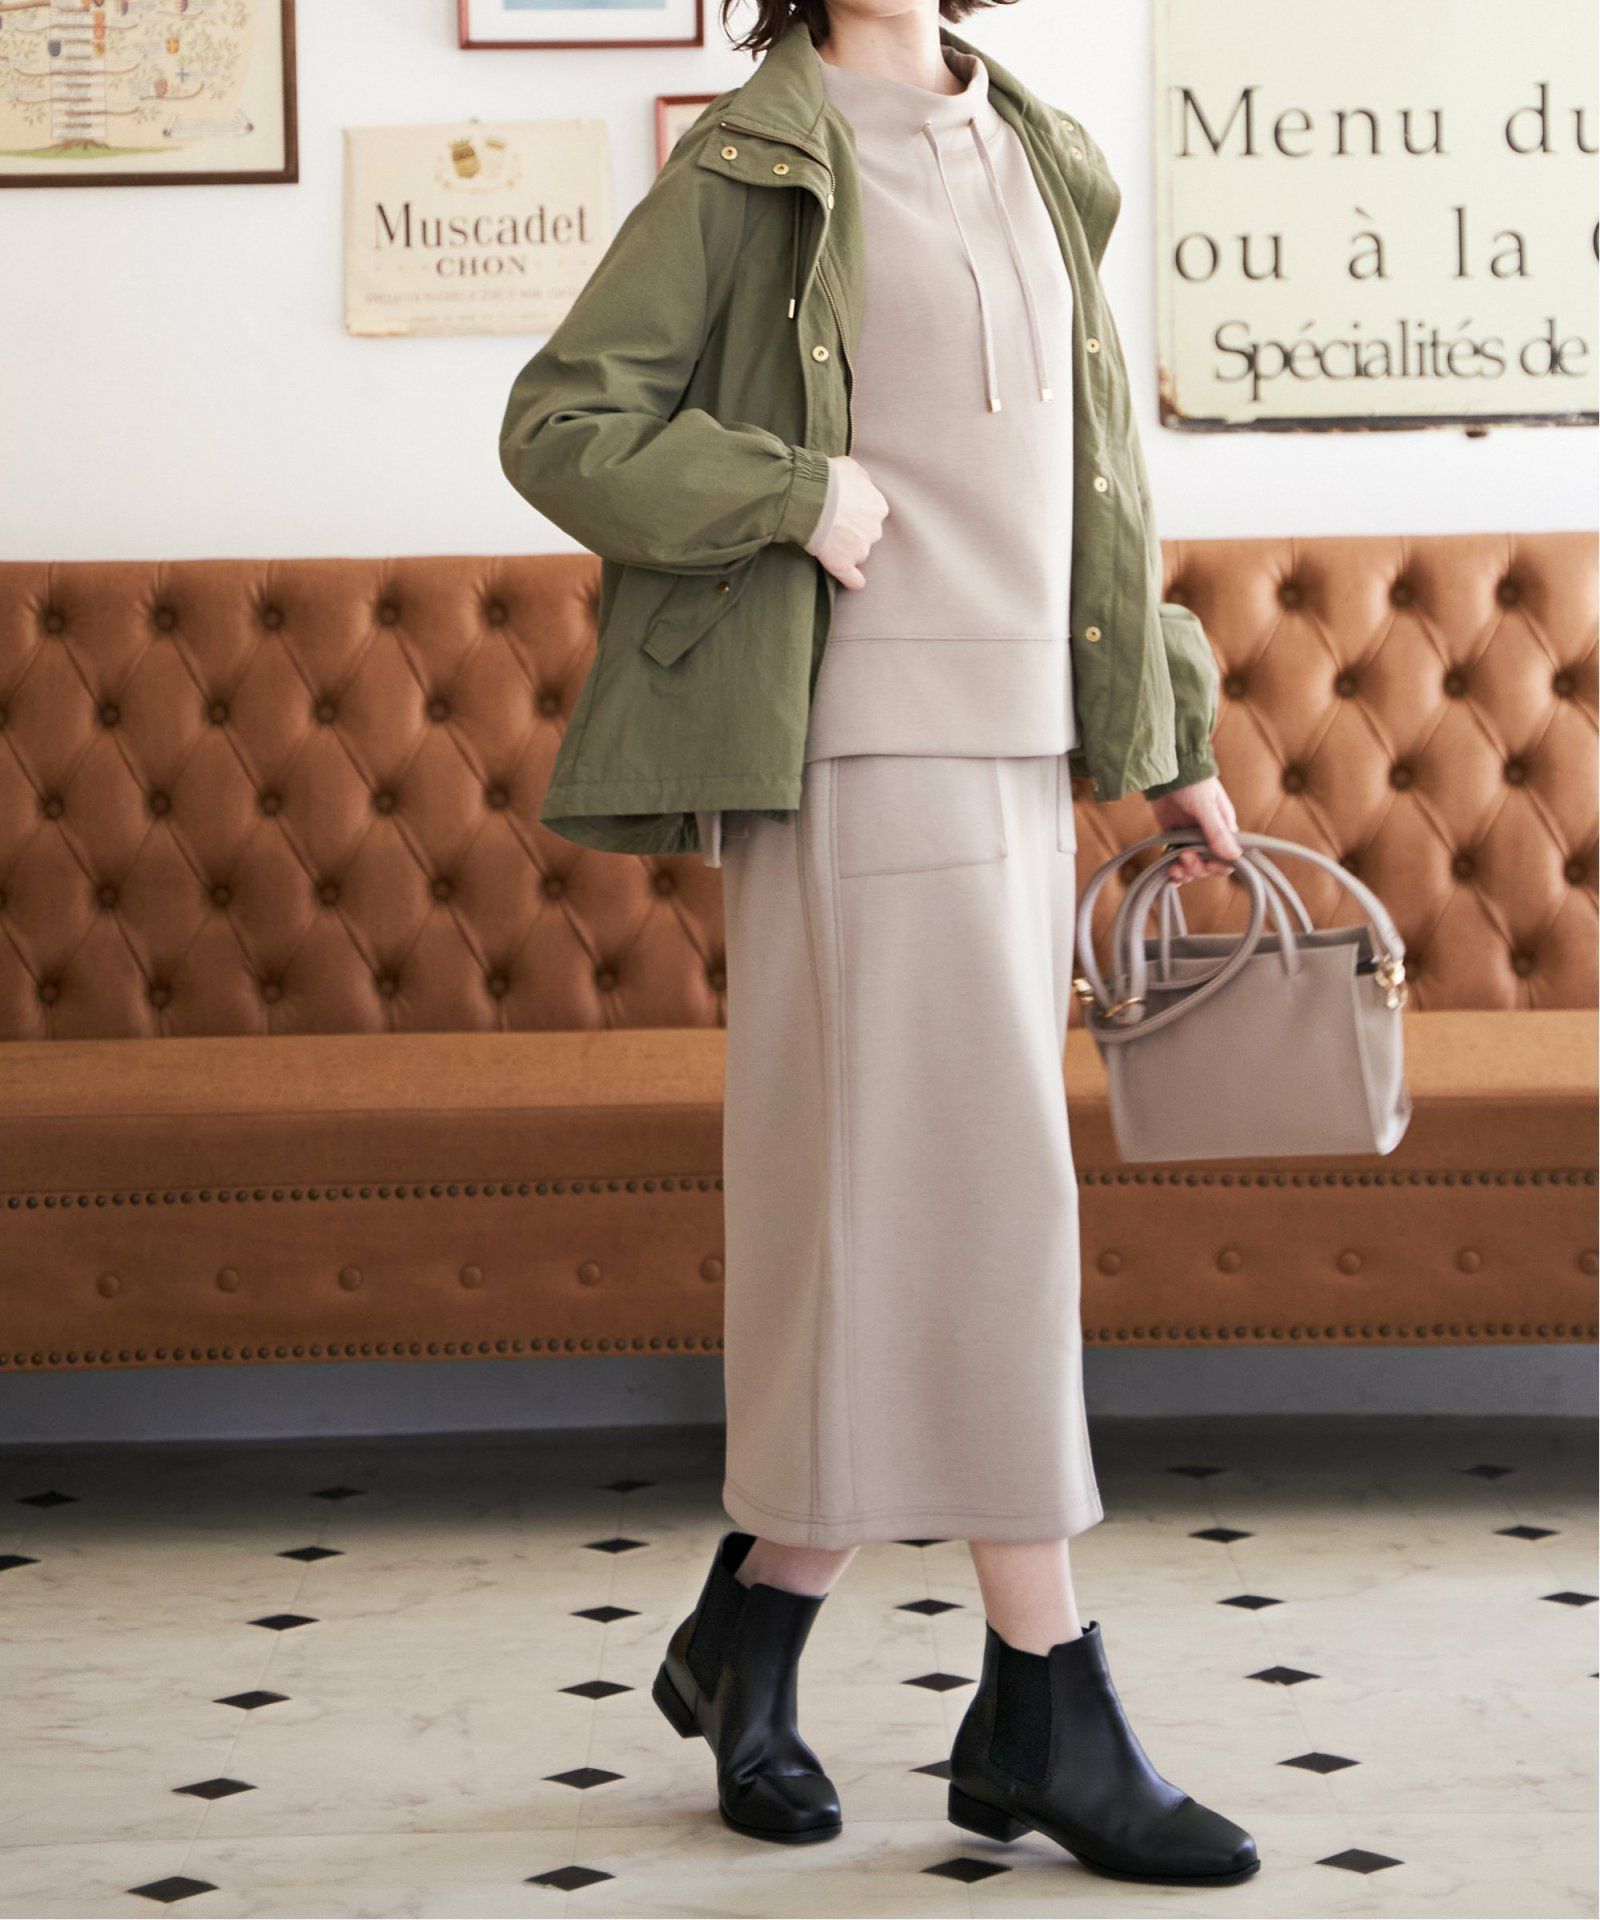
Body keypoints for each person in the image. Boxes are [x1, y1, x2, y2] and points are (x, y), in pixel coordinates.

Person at [499, 0, 1256, 1885]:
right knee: (984, 1205)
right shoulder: (755, 157)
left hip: (1023, 749)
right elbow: (563, 425)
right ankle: (1043, 1692)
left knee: (892, 1215)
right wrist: (795, 492)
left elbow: (1096, 479)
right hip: (858, 747)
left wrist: (1168, 741)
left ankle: (748, 1635)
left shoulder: (1036, 141)